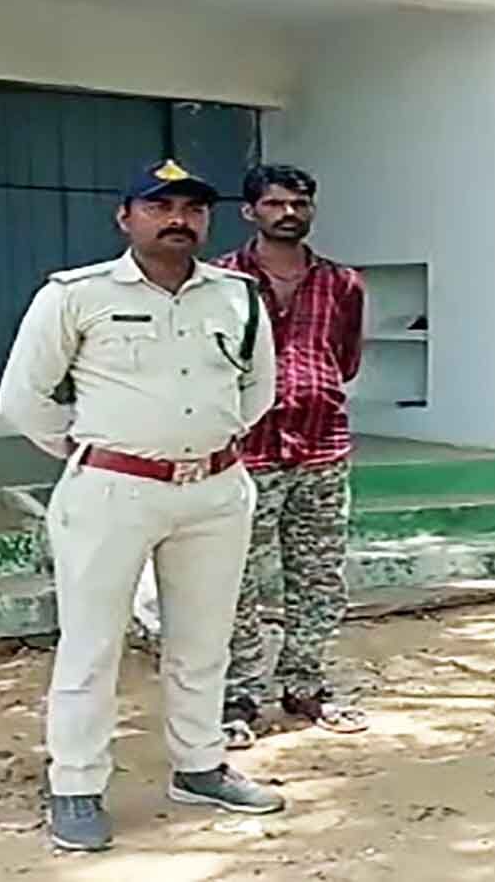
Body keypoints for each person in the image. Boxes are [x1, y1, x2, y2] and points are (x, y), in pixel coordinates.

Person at [0, 158, 283, 853]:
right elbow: (23, 397)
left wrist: (202, 446)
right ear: (125, 217)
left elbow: (258, 390)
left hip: (214, 491)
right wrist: (92, 450)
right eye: (159, 207)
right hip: (112, 492)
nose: (177, 220)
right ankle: (75, 785)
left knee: (204, 641)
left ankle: (200, 766)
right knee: (92, 646)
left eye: (192, 208)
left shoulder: (240, 297)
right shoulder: (76, 295)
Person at [134, 164, 368, 746]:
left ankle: (305, 685)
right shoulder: (219, 283)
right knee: (233, 580)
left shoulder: (342, 284)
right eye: (275, 203)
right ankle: (238, 695)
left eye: (299, 204)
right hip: (244, 454)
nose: (288, 213)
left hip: (322, 448)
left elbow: (346, 358)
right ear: (250, 211)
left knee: (319, 576)